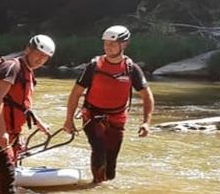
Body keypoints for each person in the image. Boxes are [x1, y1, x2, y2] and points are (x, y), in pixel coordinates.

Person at [63, 25, 154, 183]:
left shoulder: (131, 69)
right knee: (99, 151)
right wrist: (68, 119)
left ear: (124, 44)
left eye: (112, 44)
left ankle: (106, 186)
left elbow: (147, 96)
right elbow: (75, 93)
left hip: (117, 118)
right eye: (105, 44)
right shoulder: (93, 66)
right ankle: (95, 187)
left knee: (111, 163)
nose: (108, 47)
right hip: (92, 115)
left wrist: (146, 122)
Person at [0, 35, 54, 194]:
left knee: (4, 170)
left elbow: (21, 104)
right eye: (38, 54)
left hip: (12, 131)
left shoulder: (28, 73)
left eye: (45, 57)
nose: (40, 59)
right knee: (8, 173)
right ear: (28, 49)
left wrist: (38, 121)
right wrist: (1, 130)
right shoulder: (11, 67)